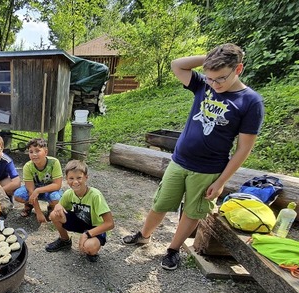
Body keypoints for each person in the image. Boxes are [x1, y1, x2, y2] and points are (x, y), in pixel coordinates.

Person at [122, 43, 264, 270]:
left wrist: (221, 182)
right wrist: (209, 58)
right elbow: (177, 65)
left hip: (209, 169)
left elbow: (244, 148)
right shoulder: (203, 86)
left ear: (238, 70)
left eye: (220, 79)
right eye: (210, 78)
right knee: (161, 203)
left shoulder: (250, 102)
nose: (214, 84)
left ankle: (172, 250)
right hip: (179, 161)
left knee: (192, 212)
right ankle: (144, 235)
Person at [45, 160, 114, 262]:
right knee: (54, 215)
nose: (75, 182)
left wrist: (87, 234)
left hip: (96, 227)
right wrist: (57, 206)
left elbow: (110, 224)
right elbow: (60, 206)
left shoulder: (95, 195)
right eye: (71, 178)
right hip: (80, 222)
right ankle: (65, 240)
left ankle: (92, 249)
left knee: (89, 247)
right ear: (67, 179)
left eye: (79, 178)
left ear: (86, 177)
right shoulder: (69, 193)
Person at [13, 138, 63, 224]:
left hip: (48, 190)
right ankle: (29, 205)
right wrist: (38, 212)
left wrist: (38, 190)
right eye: (31, 152)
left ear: (46, 152)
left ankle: (51, 207)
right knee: (18, 195)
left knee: (56, 198)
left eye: (37, 151)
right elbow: (30, 190)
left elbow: (57, 185)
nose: (34, 154)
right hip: (33, 191)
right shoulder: (28, 166)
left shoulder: (54, 163)